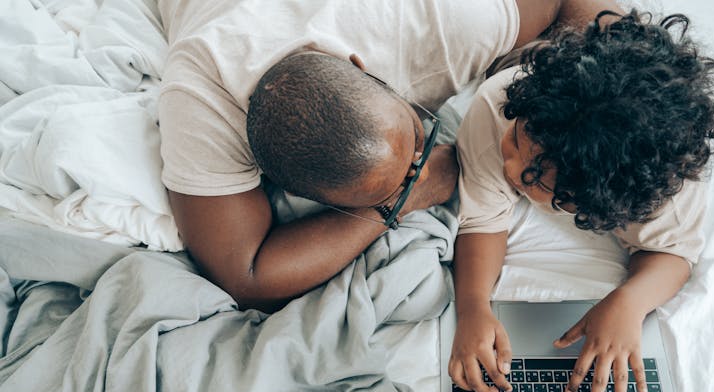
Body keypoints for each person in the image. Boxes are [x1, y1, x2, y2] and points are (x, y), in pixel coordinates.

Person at [157, 0, 623, 313]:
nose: (425, 157)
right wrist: (405, 200)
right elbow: (248, 276)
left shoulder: (453, 25)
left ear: (364, 67)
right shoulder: (201, 102)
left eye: (416, 138)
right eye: (400, 179)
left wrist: (588, 110)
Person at [449, 10, 714, 392]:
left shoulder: (667, 183)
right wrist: (473, 307)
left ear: (595, 206)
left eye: (534, 180)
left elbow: (672, 253)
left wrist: (629, 303)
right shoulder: (500, 105)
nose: (508, 168)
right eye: (515, 141)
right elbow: (482, 219)